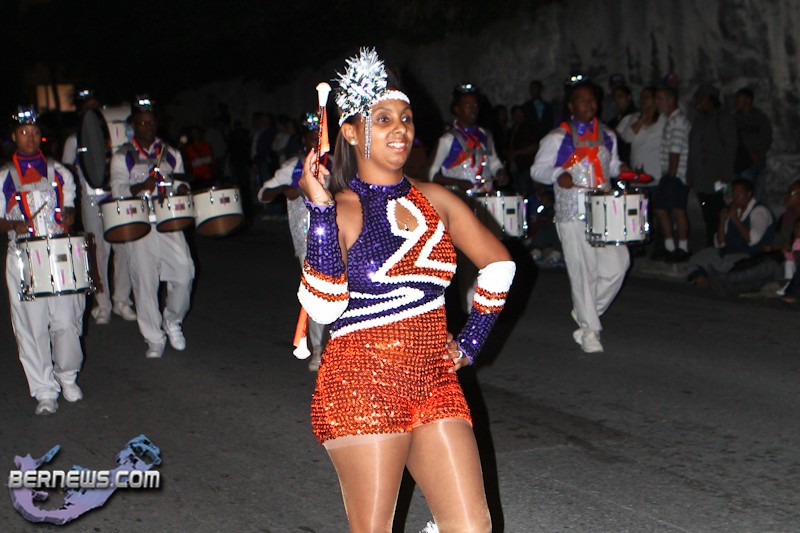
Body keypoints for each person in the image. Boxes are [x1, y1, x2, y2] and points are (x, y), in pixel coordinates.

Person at [297, 48, 514, 532]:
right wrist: (320, 212)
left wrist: (472, 340)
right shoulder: (341, 209)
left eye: (406, 118)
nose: (400, 129)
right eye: (383, 119)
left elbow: (499, 265)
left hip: (435, 379)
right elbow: (323, 306)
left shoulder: (436, 199)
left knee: (471, 528)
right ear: (351, 132)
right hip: (363, 384)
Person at [531, 80, 629, 353]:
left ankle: (586, 311)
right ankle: (590, 332)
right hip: (572, 211)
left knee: (618, 264)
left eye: (592, 100)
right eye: (582, 100)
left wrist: (624, 169)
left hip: (604, 212)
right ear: (571, 106)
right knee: (583, 272)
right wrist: (556, 174)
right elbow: (537, 170)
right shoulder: (556, 138)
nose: (589, 104)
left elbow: (612, 165)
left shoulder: (608, 135)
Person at [0, 106, 83, 415]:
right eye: (24, 133)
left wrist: (69, 214)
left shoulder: (59, 172)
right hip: (23, 256)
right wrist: (13, 224)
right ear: (14, 136)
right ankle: (44, 390)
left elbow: (69, 205)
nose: (30, 138)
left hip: (59, 254)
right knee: (32, 327)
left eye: (35, 132)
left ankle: (67, 375)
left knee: (66, 322)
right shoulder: (4, 176)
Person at [110, 96, 195, 359]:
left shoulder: (171, 153)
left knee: (184, 272)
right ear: (133, 125)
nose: (147, 127)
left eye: (151, 122)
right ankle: (154, 338)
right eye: (142, 123)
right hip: (138, 225)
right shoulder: (123, 156)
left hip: (168, 222)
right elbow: (117, 188)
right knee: (144, 283)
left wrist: (182, 188)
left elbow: (181, 182)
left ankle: (172, 320)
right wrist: (139, 187)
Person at [257, 114, 329, 371]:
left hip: (340, 235)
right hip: (308, 239)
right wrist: (283, 190)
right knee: (317, 292)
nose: (316, 142)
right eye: (311, 138)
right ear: (304, 140)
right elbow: (263, 193)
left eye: (320, 138)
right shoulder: (293, 166)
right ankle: (318, 347)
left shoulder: (338, 163)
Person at [61, 91, 137, 324]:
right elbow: (65, 173)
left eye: (97, 108)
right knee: (98, 252)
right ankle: (102, 304)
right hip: (92, 200)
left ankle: (122, 300)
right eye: (88, 109)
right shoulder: (74, 141)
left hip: (116, 199)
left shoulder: (116, 135)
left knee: (123, 247)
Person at [687, 178, 774, 285]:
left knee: (727, 266)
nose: (735, 198)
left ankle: (712, 279)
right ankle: (707, 279)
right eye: (733, 194)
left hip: (748, 256)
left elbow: (753, 239)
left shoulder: (760, 211)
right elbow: (720, 243)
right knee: (697, 259)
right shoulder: (733, 210)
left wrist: (736, 220)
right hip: (727, 253)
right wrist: (722, 222)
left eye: (738, 194)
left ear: (748, 194)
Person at [428, 84, 509, 193]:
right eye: (467, 105)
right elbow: (431, 174)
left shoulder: (485, 136)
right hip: (458, 199)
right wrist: (456, 182)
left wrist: (500, 172)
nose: (473, 109)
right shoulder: (448, 140)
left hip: (486, 197)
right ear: (457, 109)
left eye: (475, 105)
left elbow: (494, 162)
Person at [687, 84, 737, 246]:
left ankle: (721, 244)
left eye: (702, 99)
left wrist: (726, 174)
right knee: (707, 212)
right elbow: (693, 149)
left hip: (718, 177)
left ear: (711, 100)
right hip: (702, 179)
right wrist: (690, 173)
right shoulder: (699, 122)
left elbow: (731, 148)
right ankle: (711, 243)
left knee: (719, 212)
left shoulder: (723, 120)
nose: (698, 102)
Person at [652, 86, 692, 261]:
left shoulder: (678, 122)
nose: (657, 102)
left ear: (670, 100)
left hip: (676, 174)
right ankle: (669, 246)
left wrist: (672, 175)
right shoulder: (670, 120)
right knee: (660, 208)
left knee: (678, 209)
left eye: (660, 98)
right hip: (669, 173)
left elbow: (675, 150)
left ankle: (683, 247)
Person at [733, 87, 773, 200]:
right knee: (744, 197)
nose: (736, 102)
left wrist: (759, 153)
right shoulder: (735, 120)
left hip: (759, 164)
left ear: (748, 100)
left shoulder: (760, 118)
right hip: (744, 165)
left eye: (739, 99)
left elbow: (767, 138)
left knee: (757, 197)